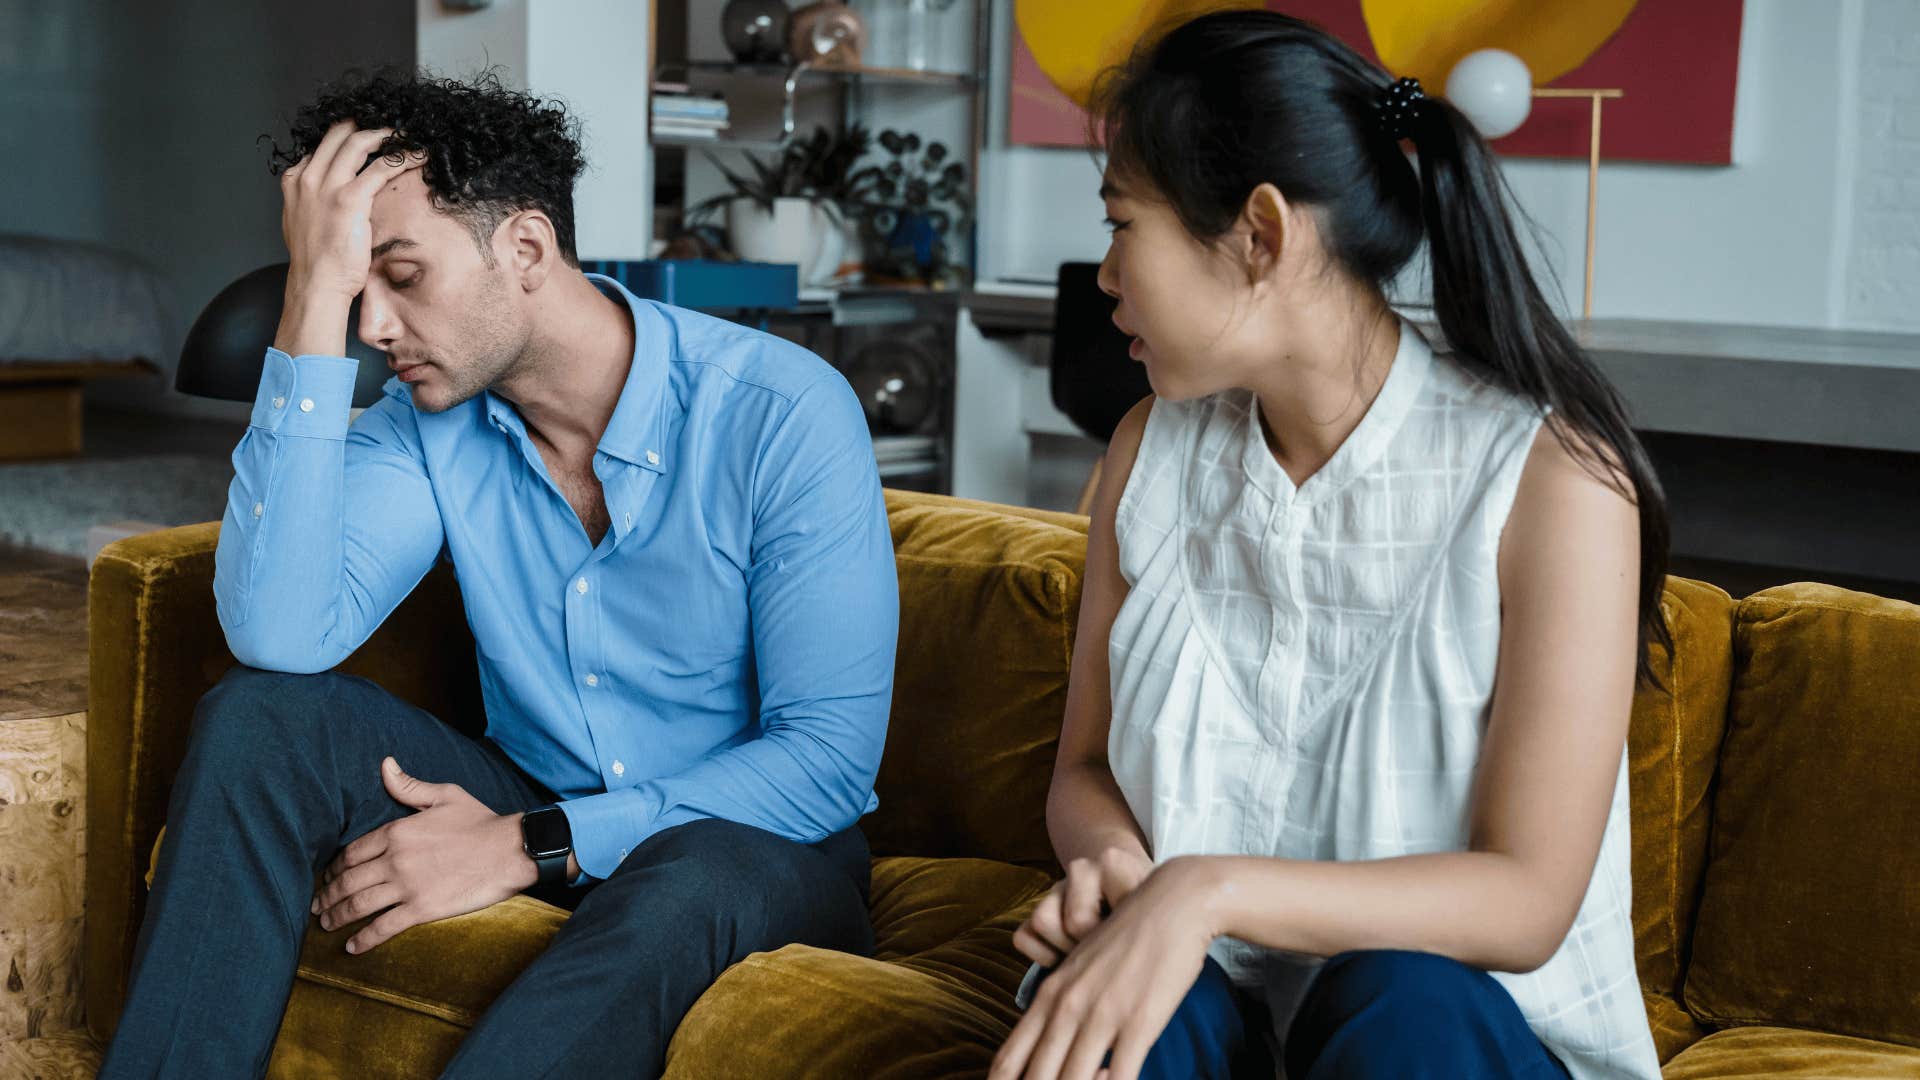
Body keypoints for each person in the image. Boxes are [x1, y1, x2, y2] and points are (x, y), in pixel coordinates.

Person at [98, 70, 898, 1079]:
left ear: (524, 247)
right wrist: (311, 299)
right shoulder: (425, 427)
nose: (375, 327)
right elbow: (280, 634)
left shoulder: (780, 411)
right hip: (527, 787)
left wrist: (531, 844)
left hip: (752, 848)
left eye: (401, 274)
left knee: (692, 870)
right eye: (357, 287)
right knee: (265, 716)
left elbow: (825, 760)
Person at [991, 11, 1669, 1080]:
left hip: (1451, 1039)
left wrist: (1200, 890)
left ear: (1260, 233)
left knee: (1399, 994)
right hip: (1215, 1007)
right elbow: (1083, 767)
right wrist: (1117, 873)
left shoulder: (1554, 480)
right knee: (1133, 1019)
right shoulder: (1147, 452)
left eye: (1124, 222)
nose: (1107, 272)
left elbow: (1529, 900)